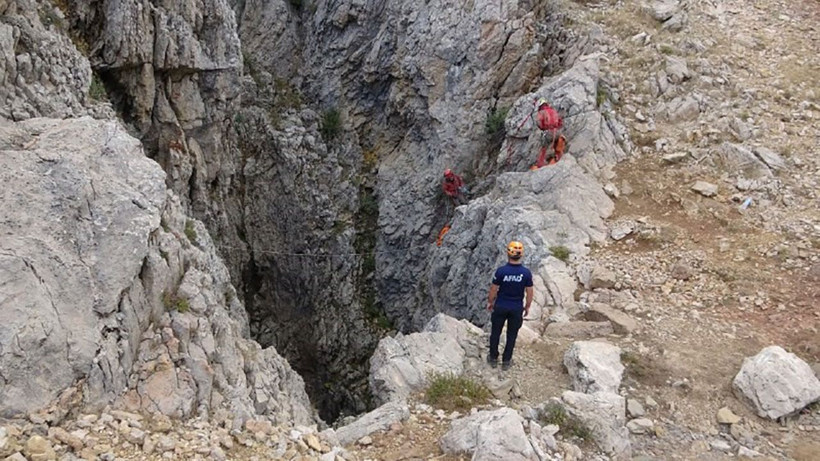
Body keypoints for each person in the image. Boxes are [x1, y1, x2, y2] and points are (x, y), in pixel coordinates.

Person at [486, 241, 534, 370]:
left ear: (508, 253)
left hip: (501, 305)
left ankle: (493, 358)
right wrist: (527, 306)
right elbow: (529, 291)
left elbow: (493, 289)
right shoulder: (526, 273)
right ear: (521, 254)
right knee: (512, 334)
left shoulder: (501, 271)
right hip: (516, 307)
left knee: (495, 332)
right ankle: (506, 361)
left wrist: (490, 302)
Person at [529, 98, 565, 170]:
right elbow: (560, 122)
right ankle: (559, 158)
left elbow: (539, 123)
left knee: (544, 149)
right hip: (557, 132)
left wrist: (543, 129)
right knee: (557, 145)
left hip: (549, 132)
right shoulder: (553, 111)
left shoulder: (541, 112)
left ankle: (542, 165)